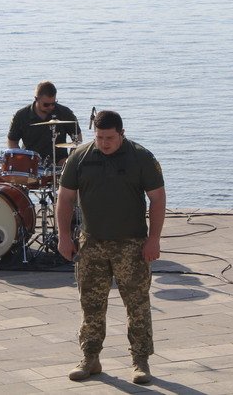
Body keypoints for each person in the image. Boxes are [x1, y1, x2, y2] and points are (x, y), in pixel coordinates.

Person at [56, 110, 165, 385]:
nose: (104, 143)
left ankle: (140, 361)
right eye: (100, 137)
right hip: (91, 243)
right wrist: (64, 236)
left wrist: (154, 240)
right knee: (91, 304)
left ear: (122, 134)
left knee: (137, 305)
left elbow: (158, 199)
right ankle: (90, 358)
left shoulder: (141, 157)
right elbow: (66, 198)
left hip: (132, 244)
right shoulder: (80, 157)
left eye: (110, 138)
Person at [7, 80, 81, 165]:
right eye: (46, 104)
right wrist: (21, 160)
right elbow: (12, 142)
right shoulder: (21, 115)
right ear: (36, 99)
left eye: (53, 103)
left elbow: (78, 139)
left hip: (59, 164)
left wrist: (69, 160)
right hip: (32, 165)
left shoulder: (64, 113)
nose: (50, 107)